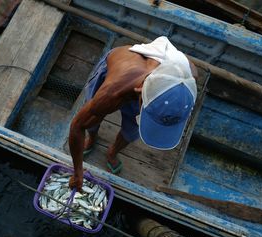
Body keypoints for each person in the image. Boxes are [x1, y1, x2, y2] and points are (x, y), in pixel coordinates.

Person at [68, 36, 198, 191]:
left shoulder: (188, 80)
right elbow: (77, 126)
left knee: (130, 132)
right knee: (92, 118)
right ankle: (92, 138)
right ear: (139, 92)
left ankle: (112, 152)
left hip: (148, 87)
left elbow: (191, 70)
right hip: (117, 71)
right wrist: (77, 172)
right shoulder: (113, 91)